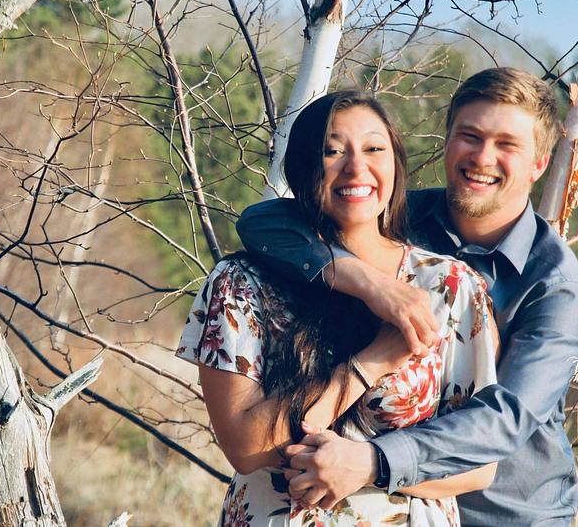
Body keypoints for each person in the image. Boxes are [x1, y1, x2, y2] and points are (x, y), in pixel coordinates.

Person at [236, 68, 578, 526]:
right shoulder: (397, 219)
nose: (483, 157)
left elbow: (503, 420)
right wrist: (368, 282)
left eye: (507, 144)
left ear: (538, 164)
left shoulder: (557, 286)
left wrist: (371, 461)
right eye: (470, 136)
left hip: (505, 514)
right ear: (447, 141)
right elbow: (262, 222)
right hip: (389, 507)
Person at [177, 91, 500, 526]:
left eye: (374, 149)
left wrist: (369, 464)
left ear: (396, 164)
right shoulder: (242, 283)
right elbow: (246, 448)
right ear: (303, 167)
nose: (356, 167)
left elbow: (479, 463)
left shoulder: (449, 286)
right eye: (332, 151)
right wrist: (370, 364)